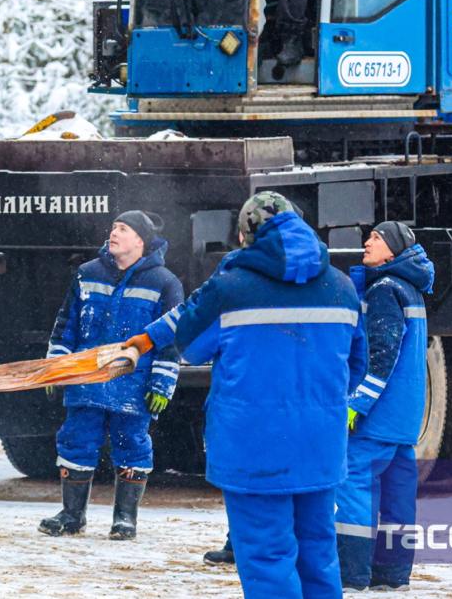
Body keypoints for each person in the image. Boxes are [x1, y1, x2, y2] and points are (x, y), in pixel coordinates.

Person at [124, 192, 366, 598]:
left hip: (254, 447)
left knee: (268, 558)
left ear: (245, 235)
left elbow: (193, 347)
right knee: (318, 554)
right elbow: (357, 364)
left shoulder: (232, 287)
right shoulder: (342, 287)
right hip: (320, 447)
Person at [38, 211, 183, 540]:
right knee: (76, 441)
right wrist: (55, 367)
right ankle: (72, 515)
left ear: (139, 241)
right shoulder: (87, 274)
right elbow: (66, 326)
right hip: (86, 380)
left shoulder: (164, 282)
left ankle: (125, 519)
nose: (113, 233)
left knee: (131, 445)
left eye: (122, 229)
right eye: (114, 227)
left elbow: (171, 338)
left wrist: (162, 382)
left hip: (132, 385)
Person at [335, 221, 433, 592]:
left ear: (392, 250)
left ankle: (353, 573)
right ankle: (392, 576)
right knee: (397, 496)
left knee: (354, 486)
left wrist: (357, 403)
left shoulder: (384, 290)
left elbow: (382, 355)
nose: (367, 242)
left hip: (378, 418)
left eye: (376, 238)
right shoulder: (411, 290)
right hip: (405, 419)